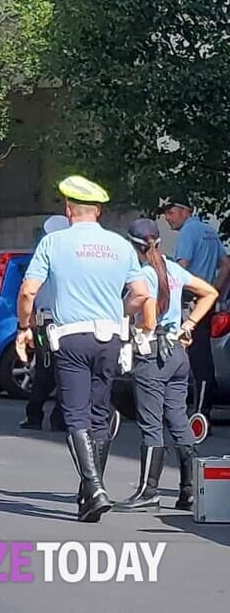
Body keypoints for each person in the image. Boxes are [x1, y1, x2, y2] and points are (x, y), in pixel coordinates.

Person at [16, 176, 150, 522]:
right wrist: (117, 314)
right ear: (99, 211)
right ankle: (89, 493)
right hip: (110, 338)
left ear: (68, 208)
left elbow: (29, 291)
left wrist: (23, 328)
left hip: (71, 337)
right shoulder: (120, 245)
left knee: (74, 413)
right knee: (99, 414)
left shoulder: (54, 242)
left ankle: (94, 487)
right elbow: (140, 294)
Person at [115, 219, 219, 511]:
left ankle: (149, 491)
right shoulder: (172, 268)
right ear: (158, 242)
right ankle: (189, 491)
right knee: (178, 420)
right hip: (176, 353)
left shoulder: (143, 274)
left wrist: (126, 315)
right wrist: (189, 325)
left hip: (153, 354)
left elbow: (147, 317)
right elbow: (209, 292)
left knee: (150, 423)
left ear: (133, 245)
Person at [160, 196, 230, 418]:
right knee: (202, 353)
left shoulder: (189, 232)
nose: (166, 218)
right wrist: (212, 290)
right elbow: (226, 264)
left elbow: (181, 268)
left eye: (170, 213)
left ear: (184, 211)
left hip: (189, 301)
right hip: (205, 300)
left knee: (182, 352)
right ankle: (202, 406)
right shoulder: (208, 230)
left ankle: (197, 411)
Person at [21, 215, 70, 431]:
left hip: (46, 322)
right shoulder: (70, 259)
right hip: (65, 322)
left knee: (45, 371)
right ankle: (58, 418)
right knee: (64, 373)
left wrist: (27, 321)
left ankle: (35, 416)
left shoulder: (45, 255)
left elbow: (29, 290)